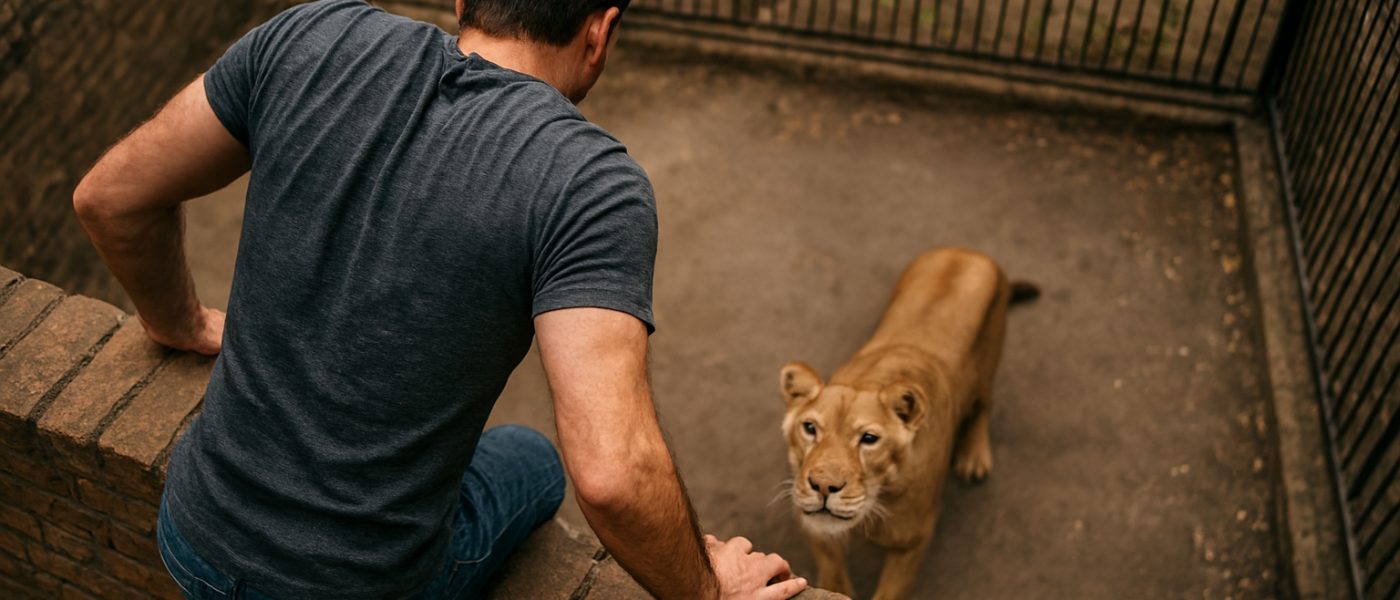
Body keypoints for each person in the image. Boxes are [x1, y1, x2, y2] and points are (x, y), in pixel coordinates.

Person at [72, 0, 807, 598]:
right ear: (599, 33)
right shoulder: (588, 184)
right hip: (357, 587)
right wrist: (712, 591)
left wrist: (182, 324)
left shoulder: (308, 33)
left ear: (464, 2)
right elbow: (613, 475)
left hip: (191, 534)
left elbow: (110, 199)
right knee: (531, 458)